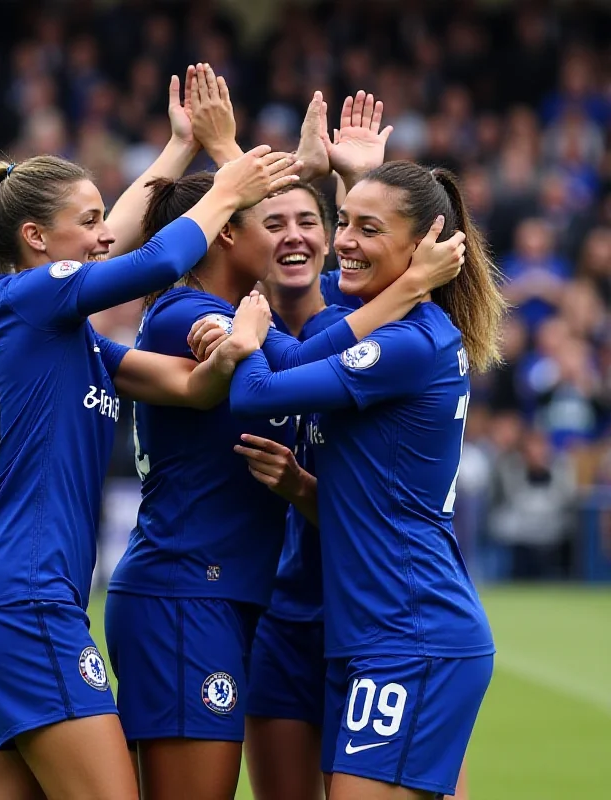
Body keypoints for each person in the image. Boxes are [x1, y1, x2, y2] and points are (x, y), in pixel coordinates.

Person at [105, 65, 466, 800]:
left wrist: (350, 185)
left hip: (354, 609)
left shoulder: (341, 314)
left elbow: (358, 284)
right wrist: (228, 156)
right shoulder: (205, 316)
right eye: (271, 220)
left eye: (314, 223)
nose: (295, 235)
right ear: (231, 230)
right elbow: (274, 364)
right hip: (220, 594)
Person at [0, 136, 302, 800]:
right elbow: (157, 258)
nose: (106, 236)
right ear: (37, 237)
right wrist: (225, 191)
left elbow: (192, 388)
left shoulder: (47, 330)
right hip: (26, 601)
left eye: (106, 217)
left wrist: (178, 149)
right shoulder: (36, 296)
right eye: (90, 221)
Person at [226, 159, 505, 800]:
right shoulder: (366, 326)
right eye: (343, 220)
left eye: (366, 228)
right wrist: (301, 488)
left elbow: (259, 391)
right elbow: (301, 343)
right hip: (366, 632)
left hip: (413, 629)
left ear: (423, 251)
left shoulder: (408, 344)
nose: (344, 240)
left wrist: (242, 338)